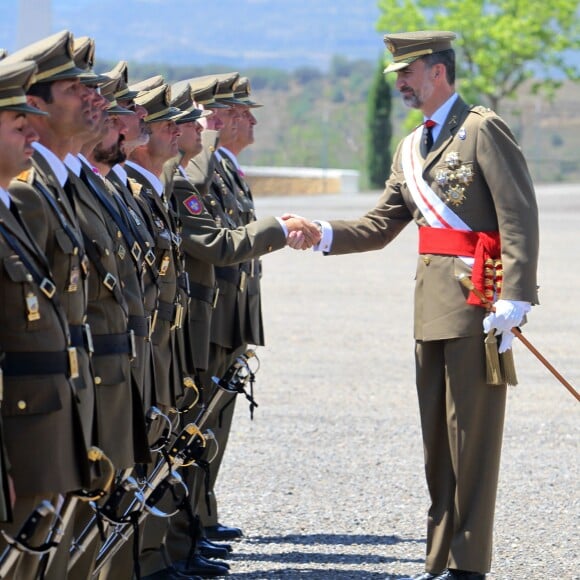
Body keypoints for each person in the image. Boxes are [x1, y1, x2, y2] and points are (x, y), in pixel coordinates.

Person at [291, 31, 539, 580]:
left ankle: (468, 564)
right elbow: (382, 224)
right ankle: (439, 558)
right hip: (430, 308)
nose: (400, 83)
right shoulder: (411, 146)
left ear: (438, 72)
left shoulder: (481, 129)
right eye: (397, 75)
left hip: (480, 302)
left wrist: (516, 296)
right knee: (438, 442)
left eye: (408, 72)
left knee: (471, 439)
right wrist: (323, 231)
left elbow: (517, 213)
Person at [0, 58, 93, 580]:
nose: (29, 135)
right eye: (18, 127)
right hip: (18, 428)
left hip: (42, 417)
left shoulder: (11, 211)